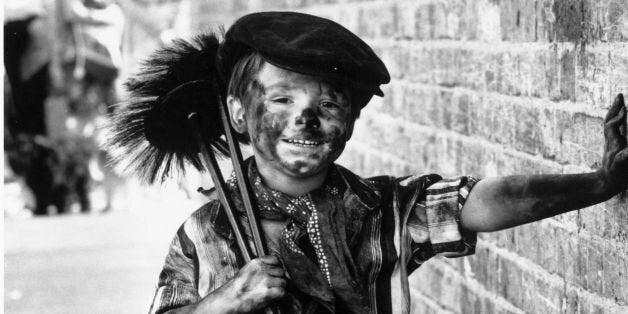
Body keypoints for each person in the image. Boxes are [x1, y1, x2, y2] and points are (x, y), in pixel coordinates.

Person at [109, 12, 627, 314]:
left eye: (328, 105)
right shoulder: (205, 232)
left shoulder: (380, 210)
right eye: (282, 101)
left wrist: (600, 183)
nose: (306, 120)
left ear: (350, 120)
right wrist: (223, 301)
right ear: (239, 116)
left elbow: (480, 203)